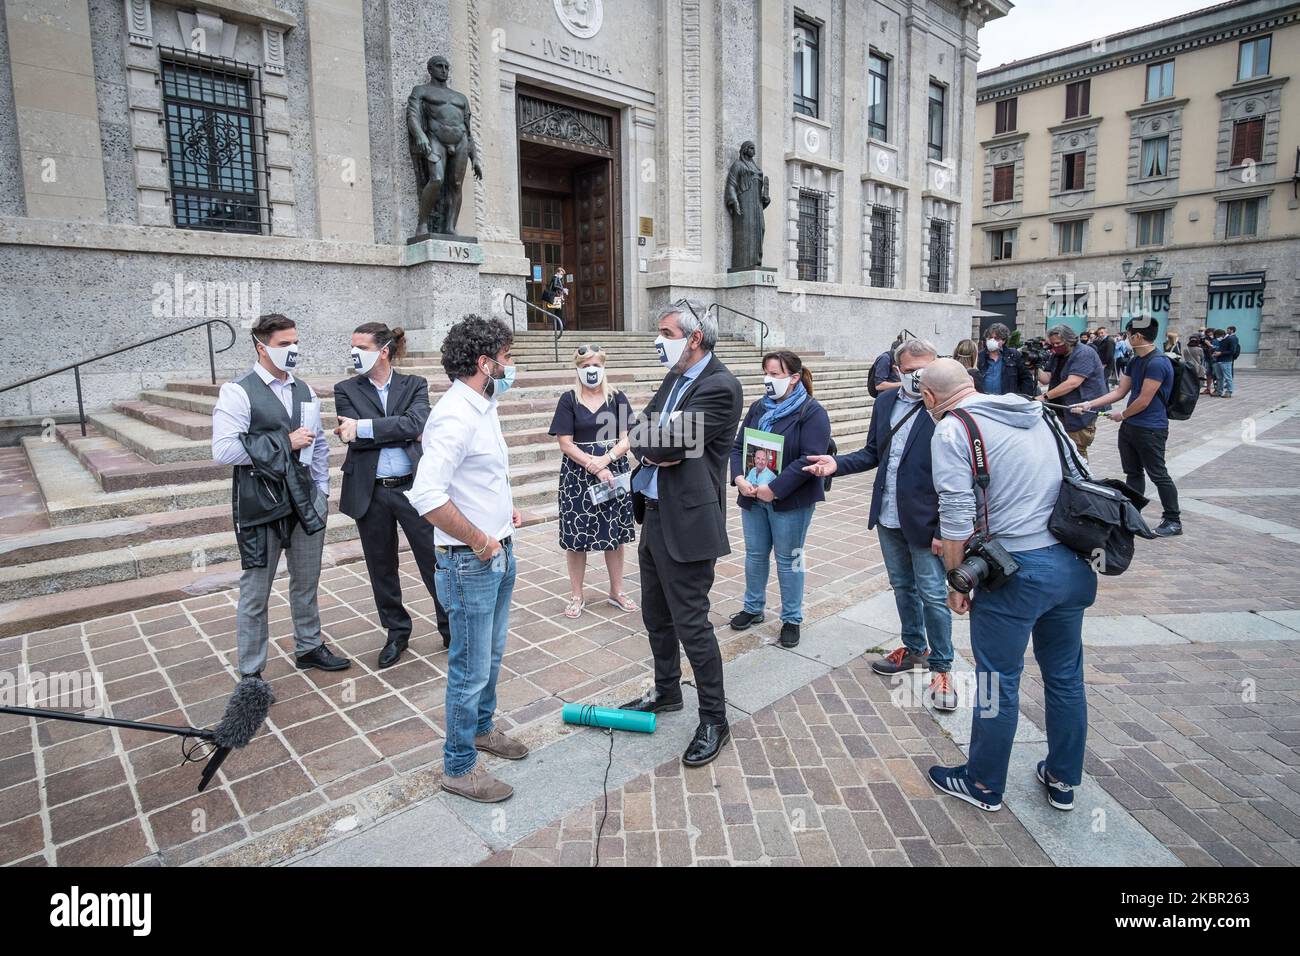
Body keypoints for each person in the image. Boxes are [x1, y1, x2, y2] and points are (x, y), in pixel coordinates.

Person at [922, 358, 1097, 814]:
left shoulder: (951, 428)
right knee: (1064, 677)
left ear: (928, 398)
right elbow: (1078, 469)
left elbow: (956, 511)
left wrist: (956, 580)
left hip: (1016, 571)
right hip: (1068, 561)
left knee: (997, 681)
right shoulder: (1031, 410)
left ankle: (982, 783)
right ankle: (1062, 778)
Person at [407, 315, 527, 804]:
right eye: (507, 357)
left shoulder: (484, 402)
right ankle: (458, 767)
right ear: (485, 363)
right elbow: (427, 496)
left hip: (498, 550)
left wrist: (503, 508)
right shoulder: (455, 415)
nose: (511, 365)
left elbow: (481, 475)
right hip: (470, 561)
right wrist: (480, 539)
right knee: (469, 668)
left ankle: (481, 730)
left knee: (490, 658)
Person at [620, 300, 743, 768]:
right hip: (652, 513)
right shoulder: (674, 377)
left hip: (688, 521)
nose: (659, 340)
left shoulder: (720, 386)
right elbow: (637, 430)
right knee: (656, 615)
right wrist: (656, 445)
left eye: (666, 331)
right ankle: (667, 691)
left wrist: (658, 443)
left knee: (692, 623)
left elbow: (666, 442)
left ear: (694, 338)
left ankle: (715, 718)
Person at [804, 340, 957, 711]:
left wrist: (944, 531)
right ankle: (914, 646)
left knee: (934, 594)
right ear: (897, 370)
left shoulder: (948, 406)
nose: (920, 378)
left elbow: (958, 476)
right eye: (911, 371)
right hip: (889, 515)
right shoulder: (886, 402)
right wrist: (836, 464)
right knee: (902, 586)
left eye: (927, 370)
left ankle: (943, 666)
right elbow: (874, 452)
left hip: (927, 520)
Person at [212, 313, 349, 679]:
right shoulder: (238, 391)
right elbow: (224, 451)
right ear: (261, 347)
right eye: (284, 344)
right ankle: (252, 672)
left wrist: (322, 491)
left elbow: (318, 444)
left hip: (304, 499)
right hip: (261, 502)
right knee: (256, 591)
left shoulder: (303, 390)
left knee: (307, 580)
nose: (293, 349)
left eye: (295, 342)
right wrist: (283, 443)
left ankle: (308, 646)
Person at [334, 322, 451, 669]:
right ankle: (397, 632)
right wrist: (397, 430)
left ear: (383, 351)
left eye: (361, 348)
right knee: (381, 567)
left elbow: (417, 424)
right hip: (371, 492)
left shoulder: (415, 384)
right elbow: (349, 434)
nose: (354, 354)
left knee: (434, 562)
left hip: (412, 489)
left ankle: (449, 628)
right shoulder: (346, 389)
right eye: (352, 347)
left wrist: (367, 428)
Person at [729, 350, 830, 649]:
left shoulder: (812, 412)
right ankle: (753, 606)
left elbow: (808, 460)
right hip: (753, 495)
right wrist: (739, 478)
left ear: (794, 377)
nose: (768, 380)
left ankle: (792, 618)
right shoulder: (759, 408)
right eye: (767, 373)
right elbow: (738, 446)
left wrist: (775, 489)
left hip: (790, 500)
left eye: (775, 374)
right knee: (755, 554)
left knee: (790, 559)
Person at [1071, 314, 1182, 537]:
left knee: (1158, 474)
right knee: (1133, 473)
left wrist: (1122, 414)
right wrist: (1089, 404)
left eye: (1129, 333)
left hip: (1151, 428)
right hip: (1131, 427)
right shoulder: (1135, 360)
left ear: (1138, 335)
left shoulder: (1158, 362)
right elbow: (1119, 392)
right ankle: (1133, 514)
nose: (1126, 337)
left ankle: (1173, 519)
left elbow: (1144, 399)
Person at [549, 344, 637, 620]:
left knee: (614, 535)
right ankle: (577, 594)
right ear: (577, 368)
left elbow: (628, 437)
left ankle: (617, 590)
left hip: (613, 471)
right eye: (586, 365)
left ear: (604, 367)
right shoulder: (568, 400)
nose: (591, 370)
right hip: (578, 476)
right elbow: (565, 443)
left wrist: (606, 459)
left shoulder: (617, 397)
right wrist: (593, 465)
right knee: (576, 538)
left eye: (596, 365)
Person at [1035, 324, 1107, 462]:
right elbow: (1046, 379)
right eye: (1053, 344)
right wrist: (1032, 367)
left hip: (1078, 411)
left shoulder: (1084, 353)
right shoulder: (1057, 355)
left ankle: (1081, 480)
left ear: (1069, 340)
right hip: (1059, 410)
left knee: (1076, 451)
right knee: (1059, 450)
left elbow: (1072, 383)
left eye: (1058, 343)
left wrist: (1044, 397)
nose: (1055, 347)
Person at [975, 323, 1035, 397]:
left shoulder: (1013, 356)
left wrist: (1024, 399)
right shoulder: (979, 356)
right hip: (984, 401)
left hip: (1007, 402)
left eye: (996, 338)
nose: (992, 340)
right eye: (990, 337)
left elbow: (1026, 379)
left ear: (1003, 340)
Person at [1213, 326, 1239, 398]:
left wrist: (1221, 353)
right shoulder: (1221, 340)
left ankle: (1229, 391)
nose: (1217, 338)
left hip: (1226, 361)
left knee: (1228, 377)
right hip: (1218, 360)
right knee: (1219, 377)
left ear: (1222, 335)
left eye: (1217, 336)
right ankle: (1219, 391)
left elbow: (1232, 351)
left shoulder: (1231, 339)